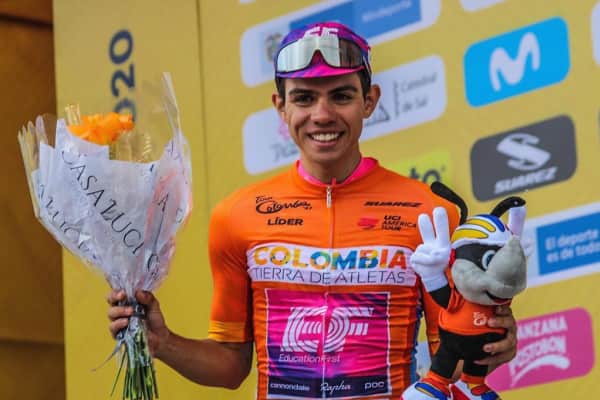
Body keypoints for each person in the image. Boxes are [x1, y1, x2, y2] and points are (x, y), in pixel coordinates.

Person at [108, 21, 518, 400]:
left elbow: (451, 358)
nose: (322, 115)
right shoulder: (236, 216)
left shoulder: (431, 214)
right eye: (304, 98)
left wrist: (487, 341)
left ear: (369, 101)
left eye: (341, 96)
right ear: (280, 107)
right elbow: (231, 365)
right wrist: (163, 343)